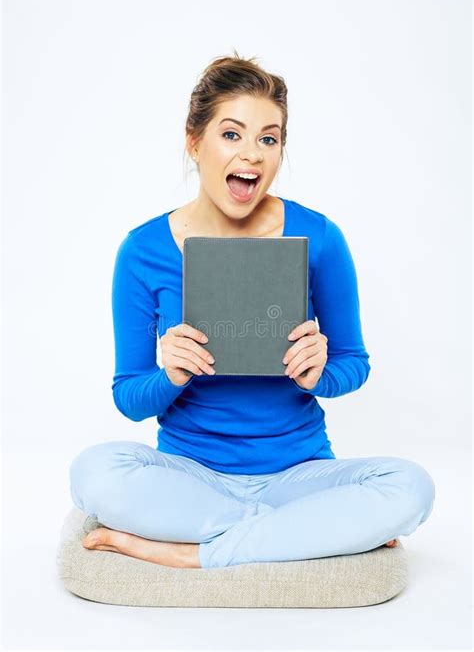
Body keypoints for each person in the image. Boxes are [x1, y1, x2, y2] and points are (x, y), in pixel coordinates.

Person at [69, 52, 435, 570]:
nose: (254, 154)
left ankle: (194, 552)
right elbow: (129, 396)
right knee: (94, 472)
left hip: (297, 476)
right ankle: (297, 536)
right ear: (194, 142)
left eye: (270, 138)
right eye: (232, 134)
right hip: (189, 477)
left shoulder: (320, 238)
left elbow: (354, 363)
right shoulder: (143, 250)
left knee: (410, 487)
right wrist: (170, 374)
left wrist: (318, 374)